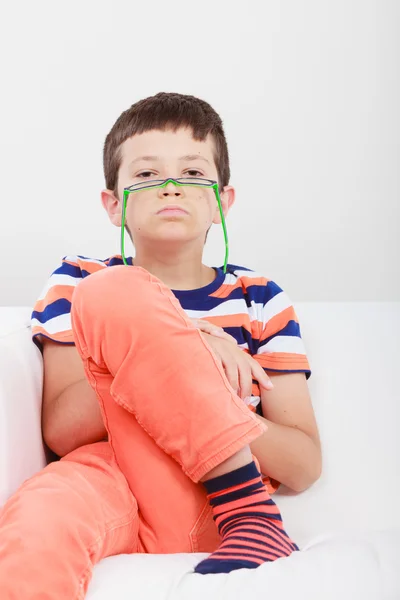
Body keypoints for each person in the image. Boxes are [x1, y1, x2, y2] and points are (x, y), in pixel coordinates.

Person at [0, 92, 322, 597]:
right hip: (106, 475)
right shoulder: (79, 281)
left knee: (117, 292)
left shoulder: (258, 298)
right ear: (113, 204)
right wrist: (173, 345)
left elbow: (302, 464)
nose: (171, 188)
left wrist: (197, 385)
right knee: (36, 521)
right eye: (147, 176)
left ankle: (250, 514)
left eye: (193, 174)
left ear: (223, 202)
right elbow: (62, 433)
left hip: (206, 500)